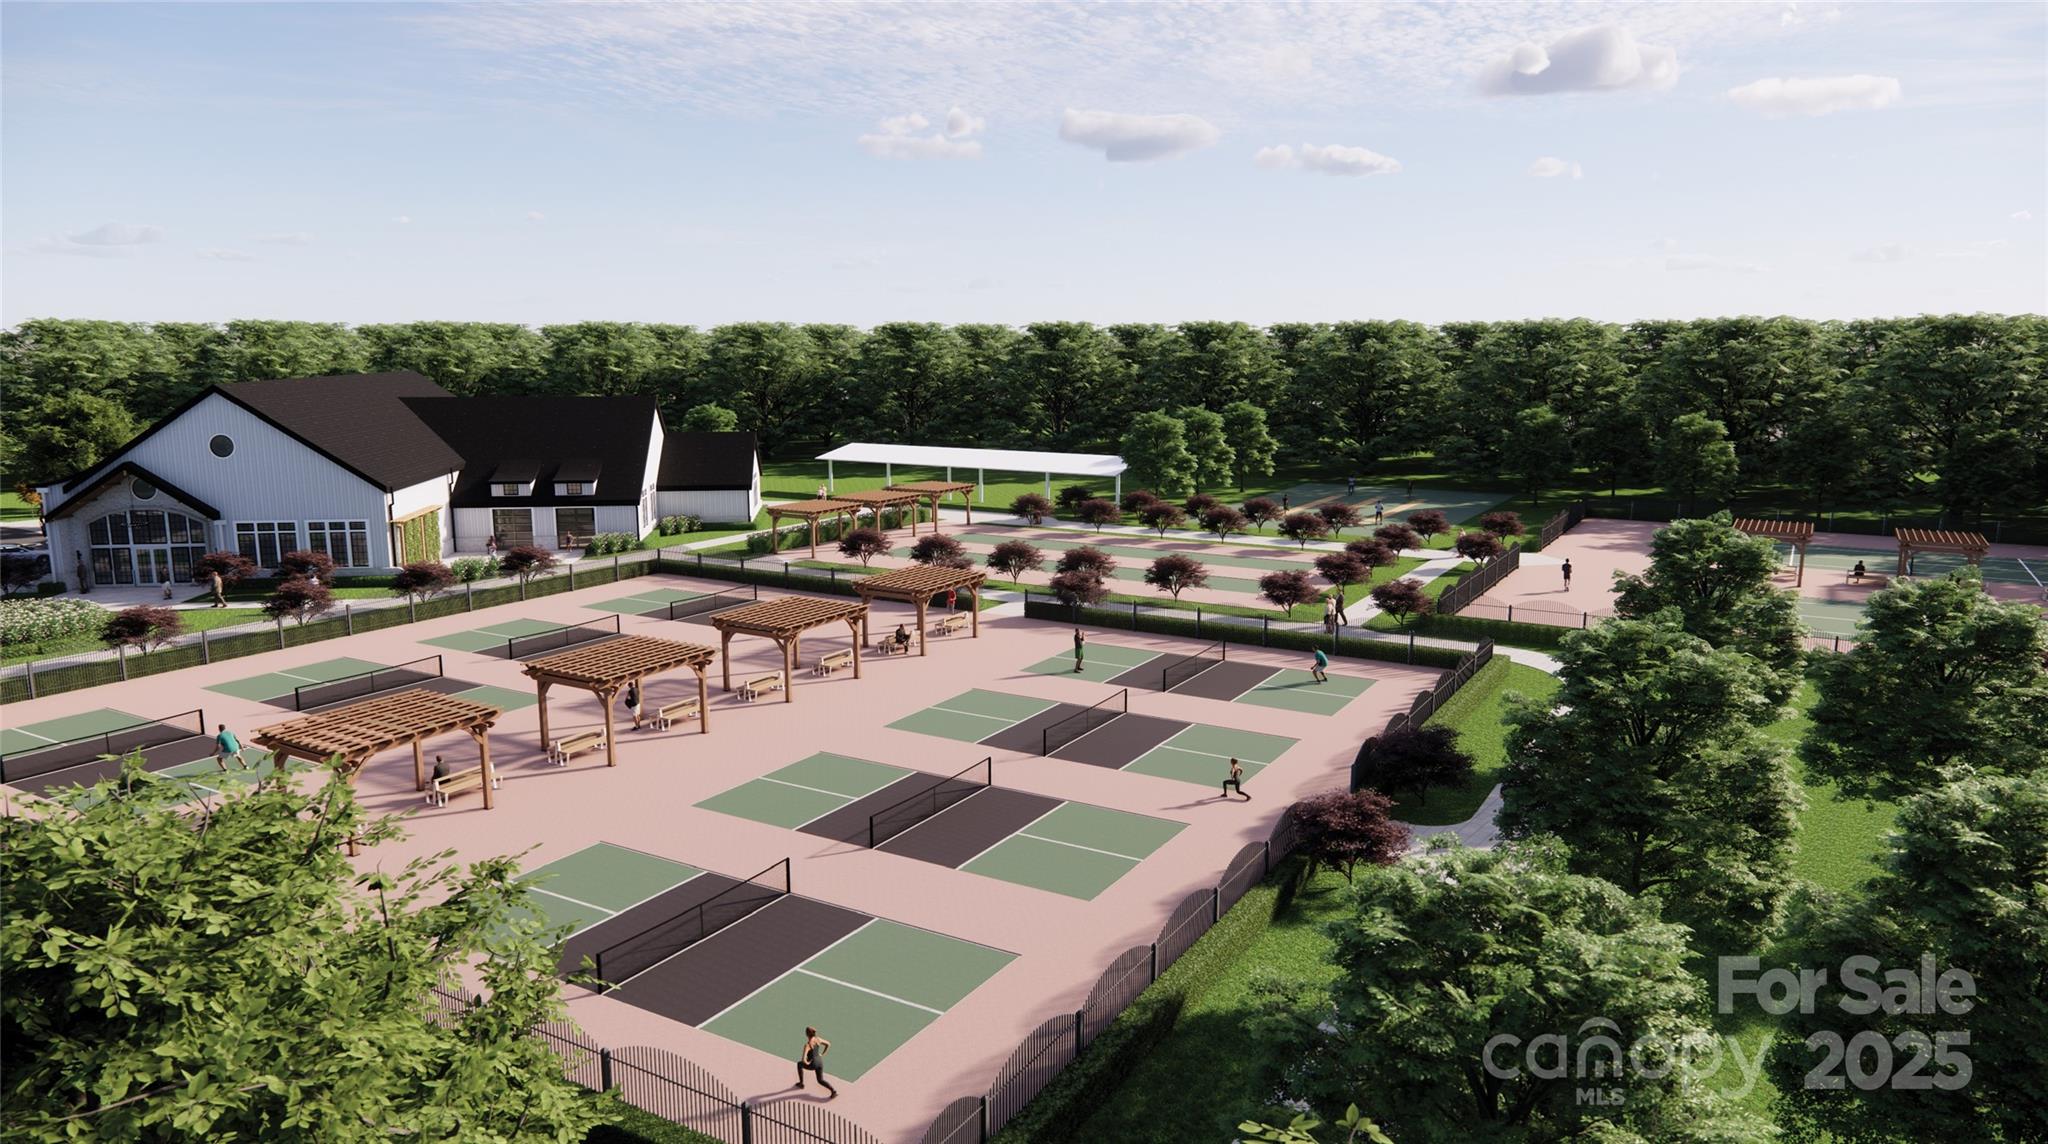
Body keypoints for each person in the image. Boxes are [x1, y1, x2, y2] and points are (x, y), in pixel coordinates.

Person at [796, 1027, 836, 1097]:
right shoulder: (818, 1039)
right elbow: (828, 1044)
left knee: (799, 1064)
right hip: (820, 1062)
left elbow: (803, 1060)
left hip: (813, 1064)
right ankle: (833, 1090)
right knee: (820, 1080)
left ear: (807, 1034)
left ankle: (801, 1083)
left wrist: (807, 1062)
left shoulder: (808, 1045)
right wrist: (822, 1054)